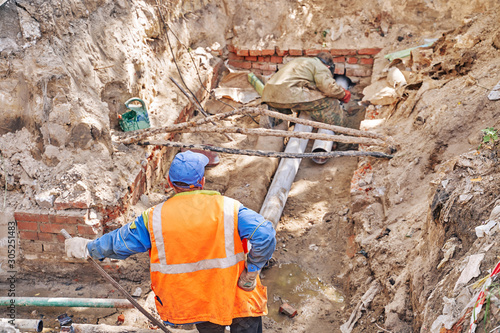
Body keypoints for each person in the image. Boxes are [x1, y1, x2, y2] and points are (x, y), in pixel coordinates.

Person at [65, 151, 277, 333]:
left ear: (170, 184)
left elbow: (118, 243)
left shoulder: (154, 217)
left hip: (198, 303)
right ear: (201, 181)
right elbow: (265, 234)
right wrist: (252, 269)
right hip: (237, 295)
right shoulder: (229, 208)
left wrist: (86, 247)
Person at [261, 52, 351, 127]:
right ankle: (340, 135)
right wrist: (343, 94)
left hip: (268, 94)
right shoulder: (320, 66)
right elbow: (328, 89)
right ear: (328, 67)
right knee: (329, 102)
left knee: (306, 97)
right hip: (289, 93)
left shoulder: (302, 61)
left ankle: (273, 114)